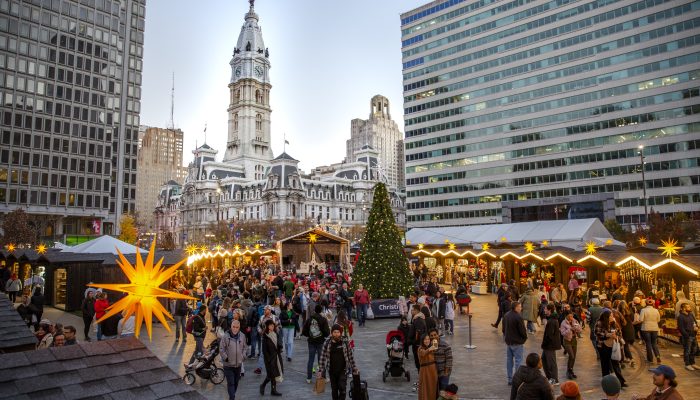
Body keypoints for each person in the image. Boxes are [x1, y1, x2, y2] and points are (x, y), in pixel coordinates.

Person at [317, 324, 359, 400]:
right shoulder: (327, 343)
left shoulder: (345, 343)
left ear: (340, 333)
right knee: (334, 390)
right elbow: (322, 358)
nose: (336, 334)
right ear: (332, 333)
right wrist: (320, 370)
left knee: (342, 388)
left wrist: (354, 367)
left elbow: (350, 357)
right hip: (332, 371)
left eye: (338, 332)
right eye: (335, 332)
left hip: (343, 370)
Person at [594, 310, 626, 387]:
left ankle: (621, 381)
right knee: (605, 364)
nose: (612, 317)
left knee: (615, 363)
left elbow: (619, 333)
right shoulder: (600, 323)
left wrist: (617, 337)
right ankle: (606, 382)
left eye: (612, 315)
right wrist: (608, 335)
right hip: (602, 346)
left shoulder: (614, 323)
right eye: (611, 316)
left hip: (613, 346)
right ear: (606, 317)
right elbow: (598, 334)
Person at [302, 303, 330, 384]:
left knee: (310, 360)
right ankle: (323, 377)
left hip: (311, 341)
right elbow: (327, 332)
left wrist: (310, 335)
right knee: (321, 361)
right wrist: (323, 336)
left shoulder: (309, 319)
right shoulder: (323, 319)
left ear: (314, 310)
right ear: (321, 311)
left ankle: (309, 378)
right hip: (321, 342)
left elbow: (304, 331)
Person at [220, 320, 247, 400]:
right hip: (228, 365)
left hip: (238, 364)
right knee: (231, 383)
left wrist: (243, 356)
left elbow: (245, 347)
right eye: (233, 327)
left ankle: (232, 396)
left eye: (237, 327)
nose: (235, 329)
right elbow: (221, 349)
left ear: (239, 328)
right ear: (231, 327)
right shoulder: (225, 336)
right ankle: (232, 398)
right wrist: (226, 358)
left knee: (236, 383)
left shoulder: (242, 336)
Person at [502, 302, 527, 385]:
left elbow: (503, 329)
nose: (521, 308)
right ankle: (517, 380)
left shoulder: (506, 315)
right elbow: (522, 331)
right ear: (516, 307)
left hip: (509, 342)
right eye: (520, 307)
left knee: (509, 361)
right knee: (518, 361)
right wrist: (524, 338)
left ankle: (510, 379)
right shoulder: (518, 317)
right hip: (517, 342)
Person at [260, 319, 283, 396]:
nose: (272, 327)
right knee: (270, 375)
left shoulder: (275, 334)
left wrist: (280, 347)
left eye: (273, 325)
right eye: (270, 325)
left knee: (274, 375)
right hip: (269, 359)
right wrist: (269, 359)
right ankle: (263, 385)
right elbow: (264, 350)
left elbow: (278, 345)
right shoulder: (265, 337)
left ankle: (273, 390)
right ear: (267, 326)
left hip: (276, 357)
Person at [636, 298, 662, 364]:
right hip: (654, 328)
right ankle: (658, 356)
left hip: (646, 328)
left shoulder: (643, 310)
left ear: (646, 303)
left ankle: (650, 359)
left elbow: (641, 319)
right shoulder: (656, 310)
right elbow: (658, 320)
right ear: (652, 304)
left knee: (648, 343)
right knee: (654, 343)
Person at [541, 303, 561, 386]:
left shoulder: (552, 321)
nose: (544, 310)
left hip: (550, 346)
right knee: (544, 360)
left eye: (545, 309)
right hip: (547, 345)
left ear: (549, 310)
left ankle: (554, 379)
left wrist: (545, 344)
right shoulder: (551, 320)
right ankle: (550, 378)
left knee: (551, 362)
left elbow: (550, 335)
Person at [559, 311, 582, 380]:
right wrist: (570, 329)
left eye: (571, 316)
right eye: (569, 316)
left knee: (574, 357)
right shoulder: (563, 323)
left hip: (574, 340)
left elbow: (580, 330)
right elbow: (563, 333)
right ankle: (568, 371)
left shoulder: (575, 321)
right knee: (571, 356)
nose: (571, 318)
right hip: (567, 341)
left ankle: (571, 371)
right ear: (566, 316)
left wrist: (577, 328)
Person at [676, 302, 699, 371]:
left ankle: (692, 363)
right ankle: (687, 364)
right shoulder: (680, 317)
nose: (690, 308)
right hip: (687, 336)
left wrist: (696, 327)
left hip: (693, 335)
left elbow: (694, 322)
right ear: (683, 308)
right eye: (688, 307)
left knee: (694, 350)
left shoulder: (691, 314)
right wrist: (686, 335)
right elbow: (681, 328)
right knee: (687, 350)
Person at [417, 334, 438, 400]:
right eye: (425, 339)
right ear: (422, 340)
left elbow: (436, 347)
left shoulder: (431, 348)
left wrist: (434, 341)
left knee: (433, 388)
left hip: (433, 370)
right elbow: (423, 353)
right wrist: (430, 349)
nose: (427, 341)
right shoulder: (420, 348)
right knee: (425, 389)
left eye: (428, 339)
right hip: (425, 371)